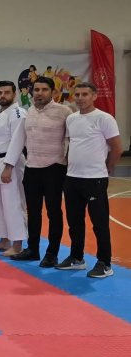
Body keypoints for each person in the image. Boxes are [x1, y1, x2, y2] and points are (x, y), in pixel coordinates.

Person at [56, 83, 121, 278]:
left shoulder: (104, 118)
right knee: (74, 222)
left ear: (94, 96)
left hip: (95, 179)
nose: (80, 98)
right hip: (72, 178)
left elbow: (117, 148)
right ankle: (77, 258)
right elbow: (72, 144)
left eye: (85, 94)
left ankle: (105, 263)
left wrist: (107, 168)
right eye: (77, 94)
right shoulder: (71, 119)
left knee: (99, 223)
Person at [7, 77, 72, 267]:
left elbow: (73, 140)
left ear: (53, 92)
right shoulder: (29, 113)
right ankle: (32, 250)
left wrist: (69, 164)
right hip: (32, 168)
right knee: (33, 212)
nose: (39, 93)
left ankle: (52, 254)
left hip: (54, 168)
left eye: (44, 89)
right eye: (36, 90)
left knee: (53, 212)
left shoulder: (64, 112)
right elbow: (21, 141)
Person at [0, 81, 28, 256]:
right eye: (0, 92)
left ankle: (17, 244)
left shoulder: (18, 113)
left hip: (10, 163)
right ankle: (4, 239)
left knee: (12, 204)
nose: (3, 96)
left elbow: (18, 141)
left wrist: (9, 166)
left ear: (14, 94)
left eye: (7, 92)